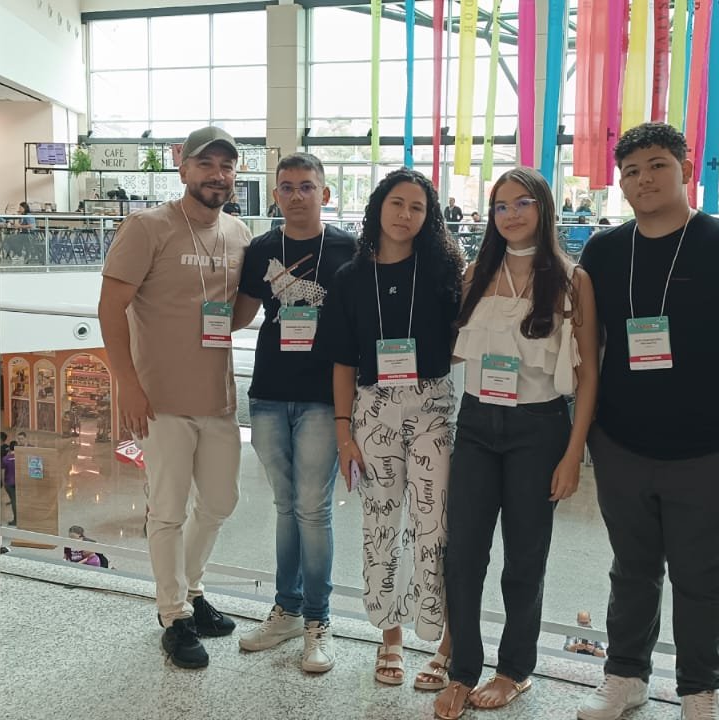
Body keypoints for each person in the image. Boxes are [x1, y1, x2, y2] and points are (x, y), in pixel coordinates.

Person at [577, 122, 719, 720]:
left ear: (686, 170)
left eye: (657, 166)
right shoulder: (604, 251)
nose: (644, 179)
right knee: (631, 571)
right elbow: (590, 349)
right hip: (622, 444)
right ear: (621, 184)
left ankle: (698, 689)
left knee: (701, 577)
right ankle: (625, 677)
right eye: (631, 171)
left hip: (709, 449)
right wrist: (592, 437)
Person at [435, 167, 600, 720]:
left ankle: (514, 670)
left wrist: (574, 453)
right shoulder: (476, 273)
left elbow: (589, 374)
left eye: (522, 203)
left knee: (525, 558)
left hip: (539, 428)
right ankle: (462, 670)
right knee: (463, 554)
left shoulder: (572, 280)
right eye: (501, 205)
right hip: (477, 424)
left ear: (543, 208)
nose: (510, 214)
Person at [96, 126, 251, 670]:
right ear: (183, 168)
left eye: (226, 166)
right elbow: (110, 307)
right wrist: (127, 384)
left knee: (221, 501)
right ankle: (174, 613)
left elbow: (237, 313)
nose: (217, 175)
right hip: (159, 400)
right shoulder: (147, 227)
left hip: (218, 398)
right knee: (166, 510)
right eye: (206, 164)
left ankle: (191, 587)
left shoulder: (239, 233)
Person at [315, 168, 463, 690]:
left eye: (417, 207)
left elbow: (465, 338)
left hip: (431, 406)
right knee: (380, 522)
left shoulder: (445, 271)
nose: (405, 215)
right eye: (397, 203)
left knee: (434, 524)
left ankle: (443, 639)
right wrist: (343, 435)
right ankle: (390, 636)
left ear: (429, 216)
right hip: (373, 409)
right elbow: (342, 361)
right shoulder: (350, 277)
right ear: (378, 206)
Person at [230, 153, 358, 674]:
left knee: (312, 507)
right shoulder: (263, 249)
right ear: (275, 195)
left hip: (324, 397)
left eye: (307, 186)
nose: (296, 195)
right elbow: (239, 314)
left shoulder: (349, 248)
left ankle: (317, 621)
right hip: (268, 392)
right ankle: (286, 610)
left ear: (324, 194)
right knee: (286, 506)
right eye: (286, 187)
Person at [1, 439, 18, 526]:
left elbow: (3, 472)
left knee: (13, 500)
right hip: (19, 482)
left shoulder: (5, 459)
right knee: (15, 500)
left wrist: (3, 482)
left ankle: (16, 520)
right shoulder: (20, 457)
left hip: (9, 482)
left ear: (9, 448)